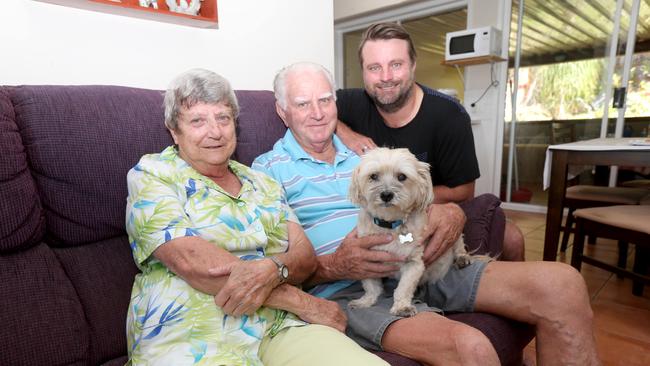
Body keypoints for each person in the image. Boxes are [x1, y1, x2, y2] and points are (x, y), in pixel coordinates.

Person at [253, 62, 600, 365]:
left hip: (414, 254)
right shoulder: (266, 170)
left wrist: (447, 213)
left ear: (335, 103)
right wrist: (332, 266)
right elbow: (273, 258)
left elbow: (415, 197)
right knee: (471, 349)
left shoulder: (368, 152)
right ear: (282, 111)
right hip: (348, 287)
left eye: (325, 100)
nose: (317, 112)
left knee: (562, 285)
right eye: (302, 104)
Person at [124, 68, 388, 366]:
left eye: (223, 118)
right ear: (174, 130)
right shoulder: (153, 174)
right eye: (198, 120)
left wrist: (274, 269)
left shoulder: (261, 182)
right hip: (192, 331)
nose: (215, 131)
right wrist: (300, 300)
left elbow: (304, 256)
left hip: (278, 327)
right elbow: (193, 262)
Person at [335, 22, 525, 262]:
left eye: (396, 64)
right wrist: (348, 134)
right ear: (363, 70)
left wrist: (412, 197)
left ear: (413, 65)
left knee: (512, 238)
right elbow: (316, 111)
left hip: (432, 208)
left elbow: (464, 191)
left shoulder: (449, 115)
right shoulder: (351, 102)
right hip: (378, 218)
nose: (385, 77)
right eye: (374, 67)